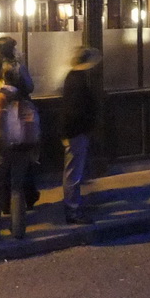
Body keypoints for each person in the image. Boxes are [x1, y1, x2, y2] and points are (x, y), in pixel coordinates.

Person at [0, 66, 38, 240]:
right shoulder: (25, 99)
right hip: (21, 149)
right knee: (17, 189)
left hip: (2, 149)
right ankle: (19, 230)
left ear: (2, 80)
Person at [0, 36, 38, 209]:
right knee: (21, 169)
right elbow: (30, 87)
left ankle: (2, 207)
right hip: (19, 121)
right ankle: (22, 208)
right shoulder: (17, 68)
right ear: (11, 50)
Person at [60, 46, 101, 225]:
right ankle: (73, 210)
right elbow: (73, 111)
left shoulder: (73, 77)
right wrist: (68, 133)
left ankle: (76, 205)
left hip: (76, 130)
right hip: (76, 131)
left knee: (76, 170)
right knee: (73, 173)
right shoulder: (77, 80)